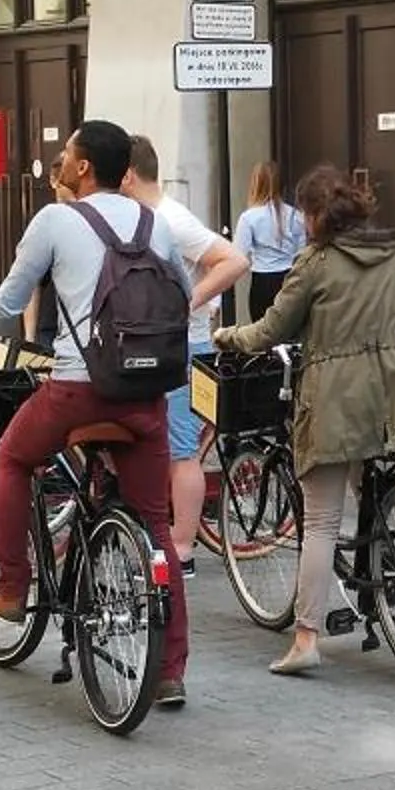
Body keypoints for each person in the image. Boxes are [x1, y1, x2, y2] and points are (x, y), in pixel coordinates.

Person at [0, 121, 198, 707]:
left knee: (12, 459)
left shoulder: (56, 221)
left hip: (78, 389)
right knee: (156, 526)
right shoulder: (153, 222)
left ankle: (13, 587)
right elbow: (185, 295)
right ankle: (168, 670)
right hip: (145, 396)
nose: (58, 163)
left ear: (84, 166)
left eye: (65, 155)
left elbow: (11, 296)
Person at [213, 166, 395, 676]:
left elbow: (272, 329)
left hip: (335, 395)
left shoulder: (316, 262)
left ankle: (307, 637)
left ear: (314, 217)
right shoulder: (394, 250)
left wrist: (228, 337)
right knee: (375, 482)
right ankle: (385, 565)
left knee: (321, 522)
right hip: (393, 385)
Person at [124, 136, 250, 577]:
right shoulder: (153, 218)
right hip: (163, 347)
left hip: (182, 347)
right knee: (165, 445)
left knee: (182, 451)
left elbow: (234, 260)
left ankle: (183, 547)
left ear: (128, 174)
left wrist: (188, 302)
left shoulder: (172, 220)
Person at [232, 164, 305, 325]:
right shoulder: (296, 215)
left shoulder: (249, 217)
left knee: (263, 335)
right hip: (290, 279)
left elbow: (237, 256)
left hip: (262, 281)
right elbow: (303, 254)